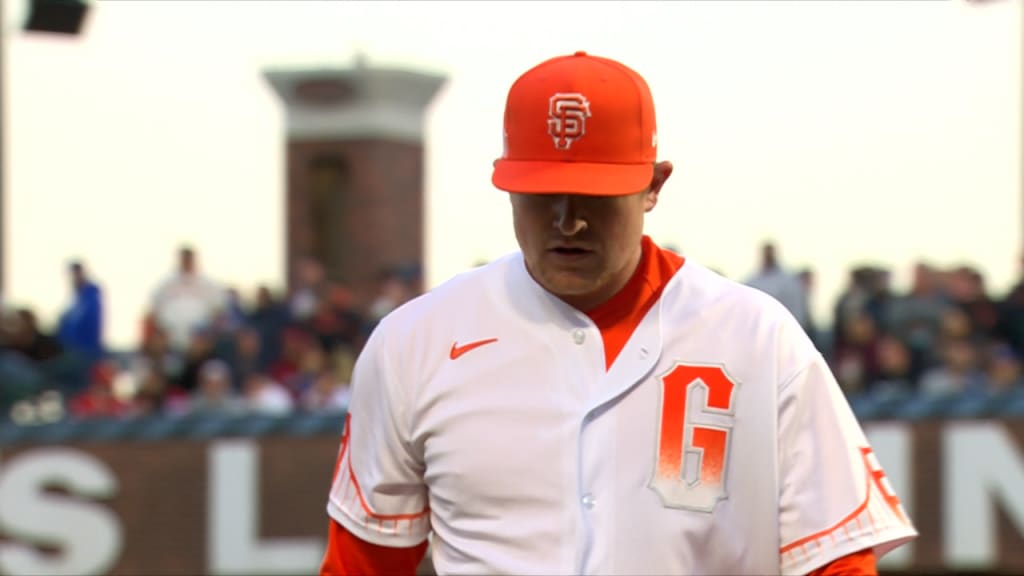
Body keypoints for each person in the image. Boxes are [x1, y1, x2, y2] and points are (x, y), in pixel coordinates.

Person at [319, 51, 917, 576]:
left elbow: (837, 561)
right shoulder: (415, 342)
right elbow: (363, 562)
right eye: (542, 191)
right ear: (505, 186)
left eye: (595, 194)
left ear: (653, 186)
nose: (567, 219)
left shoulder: (757, 338)